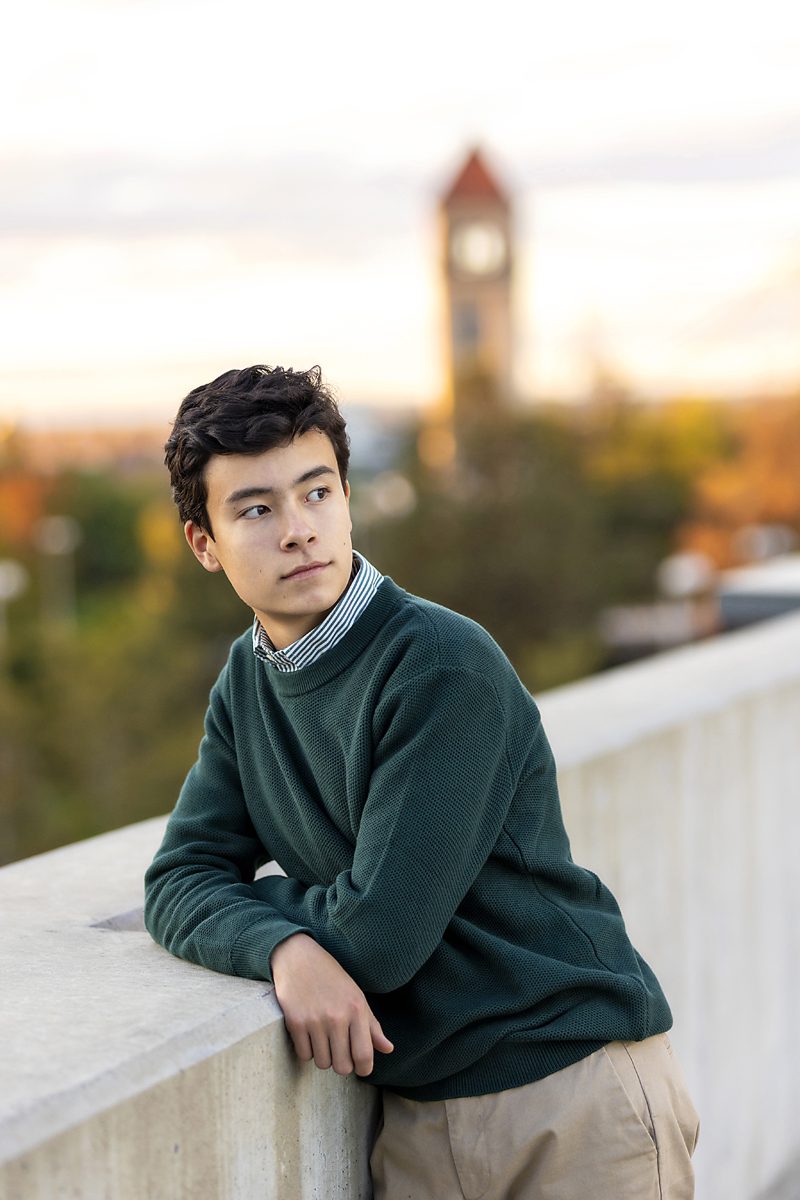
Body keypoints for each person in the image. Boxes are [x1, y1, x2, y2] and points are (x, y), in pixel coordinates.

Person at [144, 364, 700, 1199]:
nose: (298, 530)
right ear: (204, 545)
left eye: (317, 492)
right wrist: (285, 946)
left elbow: (377, 939)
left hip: (570, 1097)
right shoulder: (248, 683)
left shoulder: (441, 665)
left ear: (346, 497)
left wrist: (280, 917)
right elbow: (177, 878)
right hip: (416, 1118)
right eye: (256, 509)